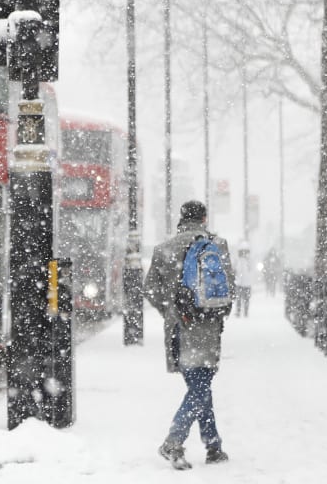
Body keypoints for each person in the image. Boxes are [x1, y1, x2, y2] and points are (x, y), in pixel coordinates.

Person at [144, 200, 233, 470]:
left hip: (178, 328)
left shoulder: (163, 249)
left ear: (181, 219)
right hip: (208, 328)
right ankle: (175, 440)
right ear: (204, 218)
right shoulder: (218, 245)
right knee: (200, 385)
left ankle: (213, 444)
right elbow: (229, 285)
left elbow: (149, 288)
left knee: (198, 384)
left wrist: (171, 311)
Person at [233, 242, 253, 317]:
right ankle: (238, 312)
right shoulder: (237, 260)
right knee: (238, 299)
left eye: (245, 251)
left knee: (246, 299)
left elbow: (251, 270)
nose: (244, 253)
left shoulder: (249, 261)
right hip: (239, 283)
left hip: (247, 283)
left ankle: (246, 312)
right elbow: (235, 270)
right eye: (242, 251)